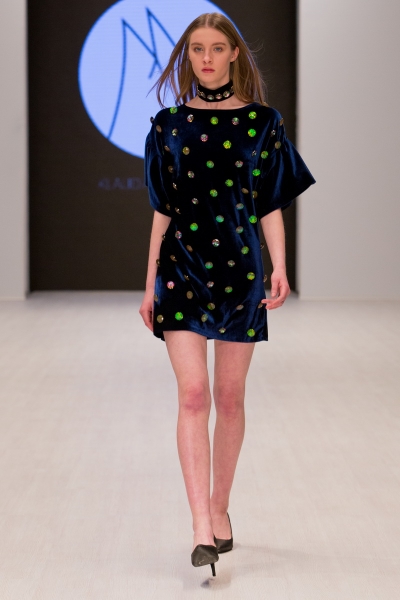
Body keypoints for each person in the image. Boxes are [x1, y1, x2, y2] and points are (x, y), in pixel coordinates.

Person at [139, 12, 315, 577]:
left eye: (217, 48)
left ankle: (220, 507)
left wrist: (280, 266)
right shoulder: (168, 124)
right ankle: (200, 527)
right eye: (197, 49)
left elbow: (269, 202)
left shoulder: (263, 123)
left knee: (230, 397)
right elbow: (163, 209)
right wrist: (148, 284)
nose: (207, 59)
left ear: (235, 54)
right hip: (181, 269)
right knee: (194, 395)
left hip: (240, 270)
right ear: (186, 56)